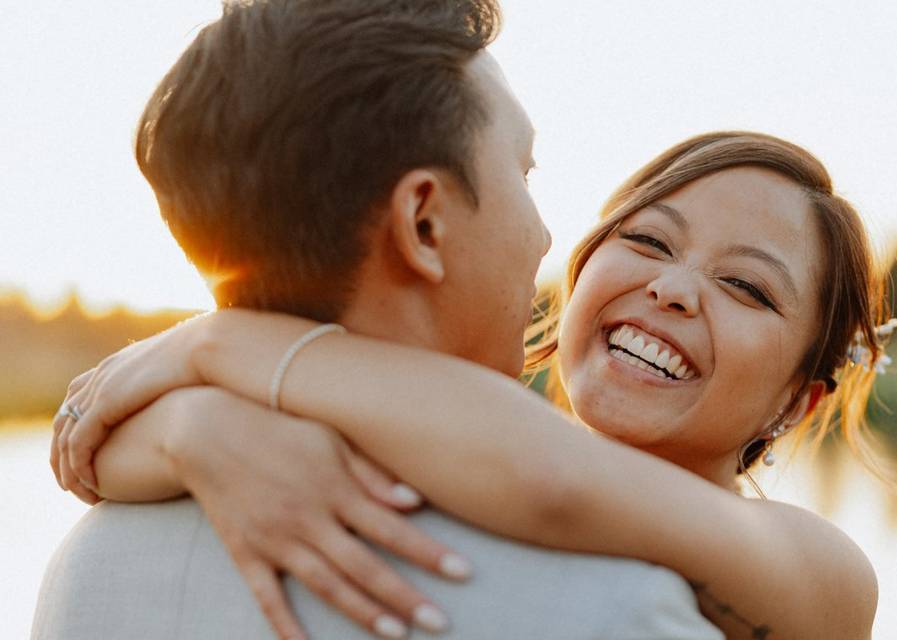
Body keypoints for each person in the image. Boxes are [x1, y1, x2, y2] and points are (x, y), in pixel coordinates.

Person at [34, 1, 723, 639]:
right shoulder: (615, 604)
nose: (545, 238)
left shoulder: (85, 562)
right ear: (423, 223)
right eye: (525, 172)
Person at [50, 129, 892, 640]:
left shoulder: (823, 572)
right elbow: (88, 453)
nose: (673, 289)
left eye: (747, 288)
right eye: (649, 241)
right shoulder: (460, 461)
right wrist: (194, 431)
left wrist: (217, 342)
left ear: (799, 399)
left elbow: (558, 482)